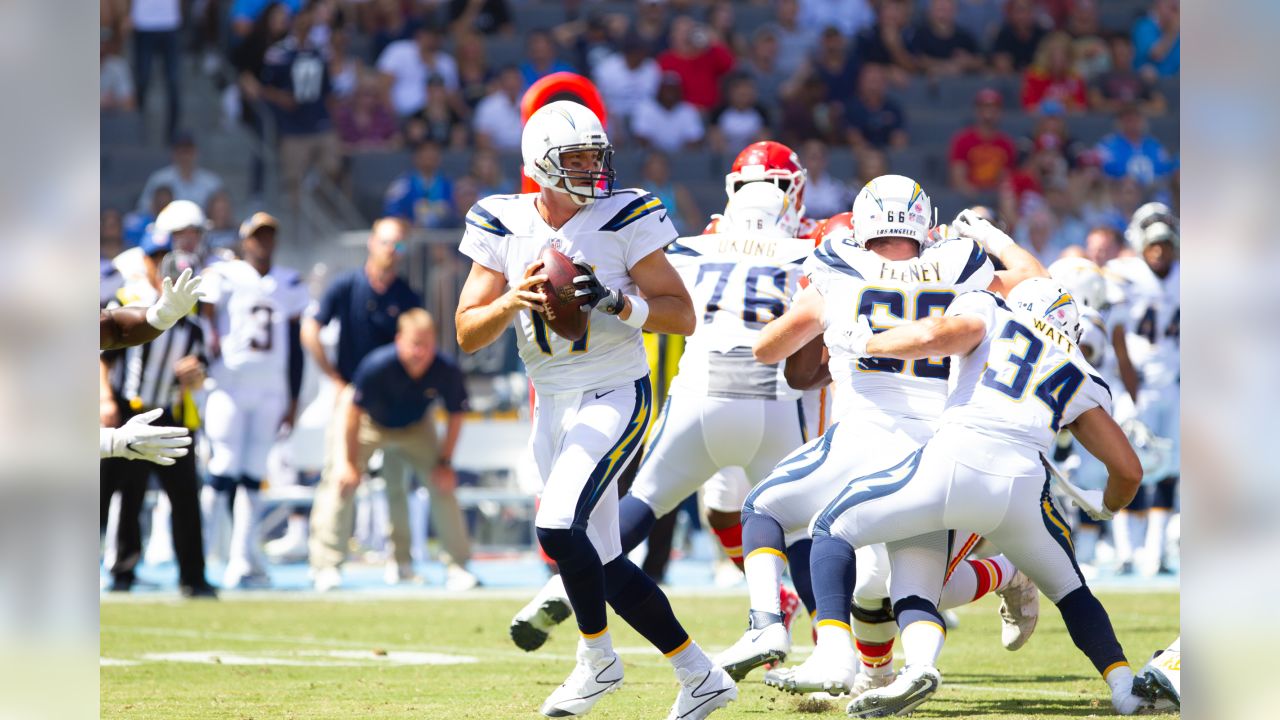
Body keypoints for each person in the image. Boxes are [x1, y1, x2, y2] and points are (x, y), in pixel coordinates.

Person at [454, 100, 735, 719]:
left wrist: (616, 302)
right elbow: (467, 332)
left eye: (594, 157)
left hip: (614, 391)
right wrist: (510, 302)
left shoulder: (624, 214)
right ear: (538, 165)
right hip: (549, 400)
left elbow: (681, 315)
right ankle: (700, 674)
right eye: (574, 159)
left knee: (558, 529)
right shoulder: (501, 221)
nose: (590, 170)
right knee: (601, 561)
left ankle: (597, 661)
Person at [730, 184, 1048, 691]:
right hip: (943, 444)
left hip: (871, 434)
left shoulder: (838, 266)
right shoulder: (962, 263)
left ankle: (769, 626)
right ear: (924, 221)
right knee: (895, 584)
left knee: (769, 510)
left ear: (861, 223)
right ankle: (892, 672)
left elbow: (767, 351)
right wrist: (989, 234)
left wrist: (816, 318)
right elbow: (1037, 281)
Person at [801, 277, 1150, 716]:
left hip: (954, 461)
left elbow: (932, 335)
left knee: (831, 528)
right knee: (1072, 591)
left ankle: (835, 650)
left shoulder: (992, 310)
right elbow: (1129, 471)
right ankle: (1123, 686)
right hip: (1024, 487)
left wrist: (870, 340)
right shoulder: (1078, 368)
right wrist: (1108, 505)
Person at [309, 309, 479, 591]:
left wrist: (445, 462)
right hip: (366, 423)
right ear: (399, 340)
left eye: (427, 344)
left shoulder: (446, 368)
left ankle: (455, 565)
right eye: (415, 343)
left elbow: (456, 416)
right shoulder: (376, 365)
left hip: (414, 427)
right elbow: (351, 414)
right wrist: (347, 462)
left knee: (442, 484)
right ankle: (326, 566)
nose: (420, 352)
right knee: (340, 482)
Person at [100, 206, 217, 598]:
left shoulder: (189, 314)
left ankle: (193, 577)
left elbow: (112, 329)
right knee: (113, 495)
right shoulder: (128, 294)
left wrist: (163, 318)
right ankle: (121, 570)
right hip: (128, 406)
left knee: (185, 496)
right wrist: (105, 405)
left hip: (168, 410)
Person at [197, 213, 310, 589]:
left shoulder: (288, 281)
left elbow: (295, 345)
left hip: (271, 388)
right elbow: (204, 320)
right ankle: (197, 556)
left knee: (251, 475)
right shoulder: (224, 276)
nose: (264, 242)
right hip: (229, 383)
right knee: (222, 468)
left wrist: (293, 396)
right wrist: (204, 361)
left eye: (270, 236)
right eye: (258, 236)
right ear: (245, 240)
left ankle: (242, 559)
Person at [1106, 204, 1180, 578]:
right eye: (1154, 244)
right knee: (1126, 467)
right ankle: (1125, 549)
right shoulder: (1123, 274)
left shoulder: (1186, 275)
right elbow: (1116, 335)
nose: (1160, 251)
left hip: (1173, 387)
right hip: (1134, 385)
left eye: (1166, 244)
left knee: (1168, 470)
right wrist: (1128, 385)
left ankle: (1155, 549)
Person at [260, 4, 342, 205]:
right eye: (300, 19)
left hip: (319, 119)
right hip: (293, 126)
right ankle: (298, 229)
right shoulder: (278, 53)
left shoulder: (320, 51)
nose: (305, 23)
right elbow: (265, 87)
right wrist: (281, 97)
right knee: (293, 180)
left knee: (332, 166)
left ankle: (316, 192)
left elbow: (327, 88)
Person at [376, 25, 459, 117]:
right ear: (419, 35)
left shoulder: (447, 63)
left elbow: (451, 96)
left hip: (430, 119)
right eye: (429, 35)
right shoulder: (399, 51)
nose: (432, 40)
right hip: (399, 116)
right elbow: (383, 85)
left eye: (436, 36)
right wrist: (391, 116)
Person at [657, 16, 736, 112]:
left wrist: (712, 40)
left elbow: (730, 65)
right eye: (681, 32)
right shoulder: (665, 60)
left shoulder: (710, 53)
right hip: (680, 115)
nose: (685, 36)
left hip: (711, 111)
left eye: (688, 31)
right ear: (672, 36)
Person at [949, 88, 1018, 197]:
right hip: (968, 198)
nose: (989, 111)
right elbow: (957, 177)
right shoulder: (962, 140)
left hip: (997, 198)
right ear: (977, 111)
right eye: (984, 107)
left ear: (1000, 112)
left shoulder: (1006, 143)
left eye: (993, 107)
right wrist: (973, 193)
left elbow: (1007, 178)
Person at [130, 0, 182, 142]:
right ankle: (136, 130)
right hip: (143, 22)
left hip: (169, 22)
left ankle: (172, 137)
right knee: (142, 81)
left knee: (173, 83)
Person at [137, 132, 225, 214]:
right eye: (181, 151)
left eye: (188, 151)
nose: (185, 156)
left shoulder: (212, 181)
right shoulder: (159, 179)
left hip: (202, 229)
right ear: (174, 153)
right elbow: (143, 208)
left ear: (196, 152)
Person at [1094, 104, 1178, 188]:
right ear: (1120, 122)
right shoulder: (1107, 145)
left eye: (1137, 120)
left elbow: (1166, 169)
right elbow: (1099, 171)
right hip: (1117, 191)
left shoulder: (1155, 145)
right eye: (1129, 120)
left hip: (1153, 192)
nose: (1133, 124)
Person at [591, 34, 661, 132]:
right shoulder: (607, 68)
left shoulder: (652, 68)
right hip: (613, 114)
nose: (642, 56)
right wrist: (616, 122)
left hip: (641, 115)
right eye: (639, 53)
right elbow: (598, 97)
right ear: (628, 53)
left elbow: (654, 100)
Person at [383, 140, 455, 229]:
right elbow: (392, 213)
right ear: (416, 157)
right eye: (426, 153)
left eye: (434, 153)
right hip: (410, 237)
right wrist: (405, 224)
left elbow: (456, 212)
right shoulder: (402, 186)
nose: (430, 156)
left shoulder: (449, 185)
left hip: (444, 238)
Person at [630, 73, 705, 155]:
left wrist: (677, 155)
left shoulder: (688, 111)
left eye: (673, 89)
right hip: (651, 157)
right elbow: (641, 138)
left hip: (681, 158)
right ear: (659, 90)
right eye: (666, 89)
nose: (669, 93)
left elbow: (695, 140)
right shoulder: (645, 108)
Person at [910, 0, 982, 76]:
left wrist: (968, 61)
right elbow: (916, 59)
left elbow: (981, 61)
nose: (943, 14)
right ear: (930, 11)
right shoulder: (920, 35)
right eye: (939, 9)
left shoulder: (964, 36)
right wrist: (946, 66)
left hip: (960, 85)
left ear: (955, 10)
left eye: (947, 9)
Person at [472, 65, 524, 152]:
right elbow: (481, 139)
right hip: (496, 156)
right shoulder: (487, 105)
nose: (512, 83)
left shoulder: (529, 101)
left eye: (515, 79)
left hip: (527, 155)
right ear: (501, 82)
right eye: (508, 79)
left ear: (521, 81)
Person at [990, 0, 1047, 74]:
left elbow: (1047, 62)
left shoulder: (1043, 35)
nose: (1024, 16)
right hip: (1011, 79)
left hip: (1038, 78)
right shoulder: (1004, 34)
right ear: (1012, 14)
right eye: (1020, 11)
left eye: (1028, 11)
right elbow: (1000, 61)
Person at [1132, 0, 1179, 78]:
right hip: (1151, 85)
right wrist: (1173, 30)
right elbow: (1156, 54)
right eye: (1172, 8)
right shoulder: (1144, 25)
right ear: (1159, 4)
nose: (1175, 14)